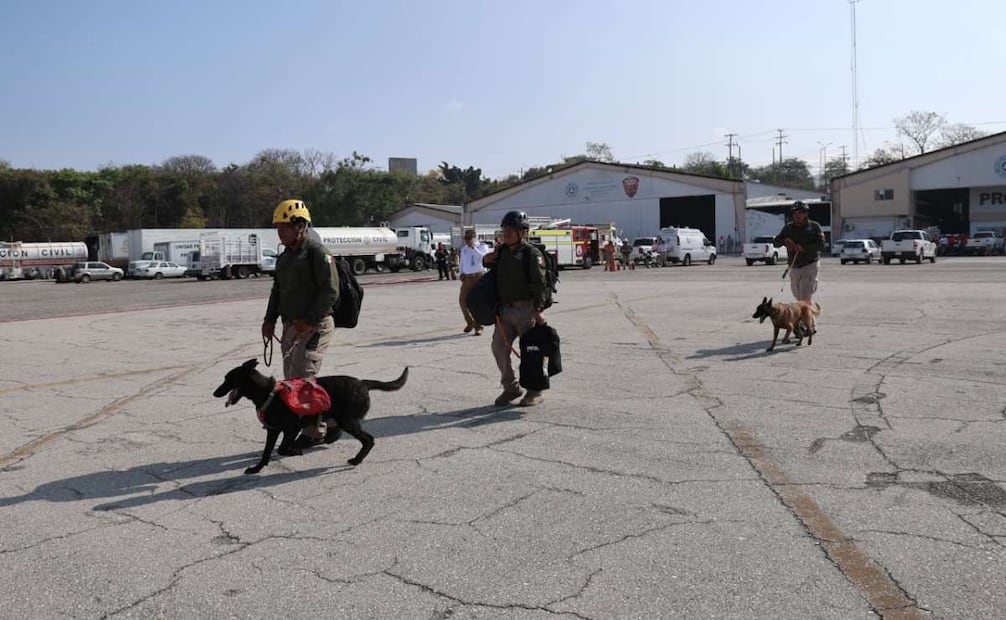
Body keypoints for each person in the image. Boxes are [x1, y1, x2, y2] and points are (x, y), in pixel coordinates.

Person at [262, 199, 340, 448]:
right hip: (291, 327)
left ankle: (314, 431)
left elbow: (331, 291)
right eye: (278, 227)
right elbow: (277, 291)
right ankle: (334, 421)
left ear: (299, 226)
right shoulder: (285, 258)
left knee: (304, 378)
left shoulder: (317, 253)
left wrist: (310, 320)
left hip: (314, 325)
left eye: (284, 226)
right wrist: (269, 319)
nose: (279, 232)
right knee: (291, 380)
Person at [483, 210, 548, 407]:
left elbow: (540, 283)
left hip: (526, 310)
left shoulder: (531, 253)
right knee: (498, 348)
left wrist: (538, 309)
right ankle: (511, 387)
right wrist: (486, 258)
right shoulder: (502, 252)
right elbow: (486, 262)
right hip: (504, 311)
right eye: (504, 230)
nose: (506, 233)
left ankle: (534, 390)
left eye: (511, 230)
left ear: (523, 232)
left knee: (531, 351)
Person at [773, 201, 825, 309]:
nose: (797, 216)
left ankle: (810, 324)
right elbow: (776, 242)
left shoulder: (814, 227)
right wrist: (785, 240)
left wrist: (803, 247)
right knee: (798, 296)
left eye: (800, 213)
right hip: (794, 266)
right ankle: (806, 319)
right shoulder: (788, 227)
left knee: (805, 296)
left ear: (806, 214)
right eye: (795, 213)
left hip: (810, 265)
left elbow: (821, 245)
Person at [458, 228, 490, 335]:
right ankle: (469, 322)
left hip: (479, 277)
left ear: (474, 238)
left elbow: (484, 259)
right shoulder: (464, 249)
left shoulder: (482, 247)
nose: (467, 241)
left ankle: (478, 326)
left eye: (469, 239)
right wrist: (461, 272)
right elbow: (462, 262)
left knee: (477, 303)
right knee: (462, 301)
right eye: (466, 239)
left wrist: (474, 249)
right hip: (467, 277)